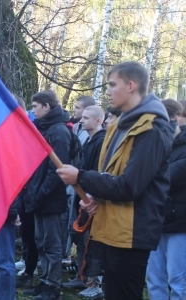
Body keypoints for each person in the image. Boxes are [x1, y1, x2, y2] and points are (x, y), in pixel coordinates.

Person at [56, 61, 173, 300]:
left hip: (131, 234)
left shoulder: (151, 129)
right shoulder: (120, 125)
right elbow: (111, 175)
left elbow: (129, 186)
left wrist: (81, 177)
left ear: (131, 85)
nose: (107, 91)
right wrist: (94, 198)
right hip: (110, 227)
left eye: (112, 84)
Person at [22, 90, 71, 300]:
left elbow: (57, 170)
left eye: (35, 107)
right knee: (40, 241)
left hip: (50, 198)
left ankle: (53, 286)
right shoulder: (44, 129)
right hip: (38, 196)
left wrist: (40, 193)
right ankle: (44, 281)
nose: (33, 111)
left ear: (46, 106)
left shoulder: (58, 131)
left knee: (52, 244)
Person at [146, 99, 186, 300]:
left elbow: (167, 177)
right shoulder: (160, 143)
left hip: (179, 224)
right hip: (157, 219)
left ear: (176, 118)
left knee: (177, 280)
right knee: (154, 278)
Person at [0, 94, 25, 300]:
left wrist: (12, 210)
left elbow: (14, 179)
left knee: (3, 261)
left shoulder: (15, 137)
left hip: (4, 208)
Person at [73, 106, 106, 299]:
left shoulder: (101, 142)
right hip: (83, 196)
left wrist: (90, 194)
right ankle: (83, 276)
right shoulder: (89, 141)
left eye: (86, 118)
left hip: (92, 198)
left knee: (92, 243)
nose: (82, 121)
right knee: (81, 239)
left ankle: (96, 282)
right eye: (82, 117)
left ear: (98, 120)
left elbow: (95, 171)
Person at [63, 95, 95, 289]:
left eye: (79, 110)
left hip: (88, 196)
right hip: (78, 193)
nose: (78, 115)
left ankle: (89, 279)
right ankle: (81, 274)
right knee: (77, 235)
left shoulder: (98, 139)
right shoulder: (81, 132)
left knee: (86, 238)